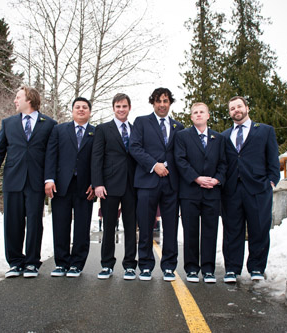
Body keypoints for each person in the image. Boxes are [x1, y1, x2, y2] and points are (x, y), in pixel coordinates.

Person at [0, 86, 57, 278]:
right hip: (13, 180)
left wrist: (49, 179)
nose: (15, 101)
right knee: (12, 222)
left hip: (36, 181)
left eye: (18, 97)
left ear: (30, 100)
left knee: (34, 222)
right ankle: (15, 262)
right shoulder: (8, 123)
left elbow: (52, 155)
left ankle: (32, 263)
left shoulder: (49, 124)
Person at [221, 96, 280, 283]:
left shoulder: (264, 131)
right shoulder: (223, 136)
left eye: (239, 106)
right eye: (232, 108)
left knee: (259, 229)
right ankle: (231, 268)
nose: (236, 110)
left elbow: (273, 159)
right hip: (231, 190)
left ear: (247, 107)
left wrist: (271, 181)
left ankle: (256, 268)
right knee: (232, 230)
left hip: (258, 189)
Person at [129, 87, 184, 281]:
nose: (162, 105)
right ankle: (145, 265)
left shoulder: (179, 126)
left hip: (171, 184)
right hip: (147, 181)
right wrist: (154, 165)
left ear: (170, 103)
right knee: (145, 226)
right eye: (158, 101)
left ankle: (169, 266)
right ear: (153, 102)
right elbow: (134, 147)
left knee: (171, 227)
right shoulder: (142, 122)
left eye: (166, 101)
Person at [174, 102, 227, 283]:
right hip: (190, 192)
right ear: (191, 117)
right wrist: (196, 178)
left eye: (201, 112)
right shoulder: (182, 136)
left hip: (212, 192)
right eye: (195, 112)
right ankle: (191, 269)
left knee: (210, 231)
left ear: (208, 115)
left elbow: (224, 163)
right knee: (190, 231)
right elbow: (180, 160)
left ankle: (208, 269)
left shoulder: (218, 138)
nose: (198, 114)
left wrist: (217, 179)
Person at [45, 97, 96, 278]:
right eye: (77, 107)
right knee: (60, 224)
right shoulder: (59, 130)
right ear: (72, 110)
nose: (81, 110)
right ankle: (61, 263)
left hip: (85, 187)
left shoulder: (96, 132)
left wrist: (95, 183)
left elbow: (98, 161)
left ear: (89, 111)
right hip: (61, 185)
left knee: (82, 226)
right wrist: (49, 179)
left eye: (84, 107)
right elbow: (51, 155)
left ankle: (76, 264)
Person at [91, 93, 138, 280]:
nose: (121, 109)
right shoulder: (103, 129)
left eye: (124, 106)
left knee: (130, 227)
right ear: (113, 108)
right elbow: (96, 157)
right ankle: (107, 264)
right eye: (118, 106)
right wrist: (98, 184)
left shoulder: (136, 129)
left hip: (132, 185)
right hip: (109, 185)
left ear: (129, 108)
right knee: (109, 226)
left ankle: (129, 265)